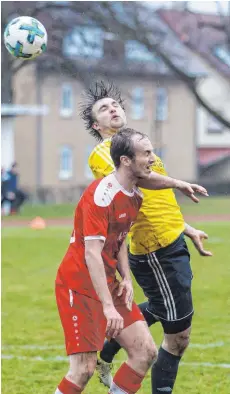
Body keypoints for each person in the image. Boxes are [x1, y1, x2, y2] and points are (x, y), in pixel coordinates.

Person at [80, 81, 212, 394]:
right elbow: (143, 179)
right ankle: (111, 351)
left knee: (161, 306)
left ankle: (107, 349)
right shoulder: (104, 153)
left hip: (169, 240)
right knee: (177, 337)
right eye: (104, 109)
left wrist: (185, 228)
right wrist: (179, 181)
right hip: (154, 249)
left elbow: (157, 201)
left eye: (115, 105)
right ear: (96, 125)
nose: (113, 109)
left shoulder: (138, 147)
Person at [55, 128, 160, 394]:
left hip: (108, 282)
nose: (153, 159)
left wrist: (126, 278)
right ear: (126, 160)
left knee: (144, 353)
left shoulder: (136, 195)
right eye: (146, 153)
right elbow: (92, 253)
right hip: (79, 284)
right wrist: (108, 307)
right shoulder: (101, 194)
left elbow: (120, 239)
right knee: (83, 369)